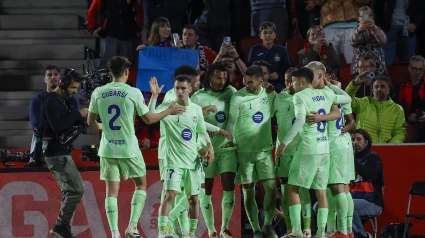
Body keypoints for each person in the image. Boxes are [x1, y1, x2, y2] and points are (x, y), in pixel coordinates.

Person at [87, 56, 185, 238]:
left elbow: (90, 121)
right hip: (129, 149)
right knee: (140, 184)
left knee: (111, 191)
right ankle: (132, 227)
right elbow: (149, 120)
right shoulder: (133, 92)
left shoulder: (98, 92)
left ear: (110, 73)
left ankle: (115, 233)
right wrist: (169, 111)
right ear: (126, 72)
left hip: (108, 149)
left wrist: (102, 126)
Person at [277, 67, 352, 238]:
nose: (292, 84)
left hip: (308, 149)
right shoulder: (326, 94)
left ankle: (296, 231)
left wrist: (284, 143)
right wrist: (331, 85)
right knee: (321, 191)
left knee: (293, 187)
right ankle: (320, 233)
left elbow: (300, 121)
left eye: (294, 81)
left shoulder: (299, 96)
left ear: (302, 81)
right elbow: (347, 98)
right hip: (324, 148)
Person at [155, 75, 214, 238]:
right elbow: (151, 115)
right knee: (170, 195)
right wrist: (154, 96)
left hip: (193, 162)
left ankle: (190, 233)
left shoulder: (195, 109)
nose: (179, 91)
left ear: (190, 89)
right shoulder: (168, 107)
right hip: (174, 162)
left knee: (193, 199)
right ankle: (162, 231)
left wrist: (209, 146)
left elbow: (202, 132)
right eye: (177, 88)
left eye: (183, 88)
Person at [225, 65, 278, 238]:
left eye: (251, 82)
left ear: (261, 81)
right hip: (244, 151)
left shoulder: (270, 94)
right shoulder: (238, 97)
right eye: (245, 81)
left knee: (270, 188)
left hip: (264, 150)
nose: (246, 85)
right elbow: (232, 121)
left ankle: (268, 224)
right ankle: (255, 229)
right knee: (249, 191)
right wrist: (230, 138)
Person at [306, 62, 357, 238]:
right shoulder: (337, 93)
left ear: (320, 75)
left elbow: (339, 117)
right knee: (341, 189)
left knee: (336, 188)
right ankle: (340, 229)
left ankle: (342, 231)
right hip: (343, 144)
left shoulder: (323, 94)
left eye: (310, 76)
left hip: (333, 145)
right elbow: (351, 119)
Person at [39, 68, 87, 238]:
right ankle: (61, 226)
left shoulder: (63, 101)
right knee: (76, 190)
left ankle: (62, 227)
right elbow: (58, 126)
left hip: (62, 152)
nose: (75, 91)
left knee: (71, 191)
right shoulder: (51, 101)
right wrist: (77, 114)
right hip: (56, 153)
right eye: (73, 87)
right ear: (64, 84)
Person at [190, 63, 237, 238]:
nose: (221, 81)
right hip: (205, 149)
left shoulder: (231, 92)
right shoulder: (198, 96)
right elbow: (190, 118)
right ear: (209, 76)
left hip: (226, 148)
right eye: (218, 77)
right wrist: (203, 119)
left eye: (224, 77)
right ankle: (211, 230)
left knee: (228, 185)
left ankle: (224, 228)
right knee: (206, 189)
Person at [273, 67, 306, 237]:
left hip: (304, 148)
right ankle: (290, 228)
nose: (288, 84)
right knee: (286, 188)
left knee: (304, 189)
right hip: (284, 151)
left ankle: (305, 229)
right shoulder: (278, 98)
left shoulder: (307, 97)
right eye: (286, 80)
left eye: (291, 80)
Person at [28, 65, 81, 167]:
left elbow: (75, 121)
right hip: (43, 145)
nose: (53, 77)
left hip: (64, 144)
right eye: (49, 75)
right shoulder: (37, 100)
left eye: (56, 74)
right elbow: (36, 123)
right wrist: (62, 123)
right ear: (45, 79)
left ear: (60, 78)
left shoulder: (72, 99)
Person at [345, 74, 406, 143]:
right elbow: (346, 100)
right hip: (364, 149)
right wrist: (355, 84)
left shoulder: (397, 109)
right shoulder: (364, 103)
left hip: (386, 150)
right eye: (376, 87)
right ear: (372, 90)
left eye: (382, 86)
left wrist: (389, 148)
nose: (379, 89)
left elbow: (399, 133)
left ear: (388, 90)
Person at [88, 0, 143, 67]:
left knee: (126, 66)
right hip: (108, 35)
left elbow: (138, 12)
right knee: (108, 66)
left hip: (127, 35)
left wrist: (138, 28)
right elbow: (92, 11)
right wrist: (92, 29)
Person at [350, 129, 384, 238]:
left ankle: (361, 236)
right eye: (352, 140)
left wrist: (351, 159)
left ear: (366, 142)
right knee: (320, 205)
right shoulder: (347, 158)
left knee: (347, 206)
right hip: (352, 199)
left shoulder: (374, 158)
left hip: (372, 203)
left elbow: (369, 174)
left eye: (358, 139)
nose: (354, 142)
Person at [373, 0, 425, 65]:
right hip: (388, 28)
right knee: (386, 61)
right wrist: (381, 24)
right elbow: (377, 8)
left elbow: (420, 10)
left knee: (409, 61)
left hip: (408, 29)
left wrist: (415, 24)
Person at [248, 21, 292, 92]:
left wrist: (279, 75)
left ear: (275, 35)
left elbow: (289, 69)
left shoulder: (282, 50)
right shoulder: (254, 50)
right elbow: (249, 69)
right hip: (259, 83)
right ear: (260, 36)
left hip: (278, 83)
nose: (268, 35)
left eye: (271, 33)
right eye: (265, 33)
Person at [350, 6, 387, 76]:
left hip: (377, 65)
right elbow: (353, 42)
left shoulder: (376, 28)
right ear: (359, 18)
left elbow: (384, 41)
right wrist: (358, 30)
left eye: (369, 16)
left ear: (372, 17)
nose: (366, 18)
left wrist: (374, 28)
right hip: (361, 67)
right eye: (364, 16)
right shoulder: (355, 30)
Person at [393, 55, 425, 124]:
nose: (418, 73)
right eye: (415, 69)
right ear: (409, 68)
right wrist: (407, 118)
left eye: (421, 69)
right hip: (405, 122)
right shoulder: (399, 87)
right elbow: (393, 110)